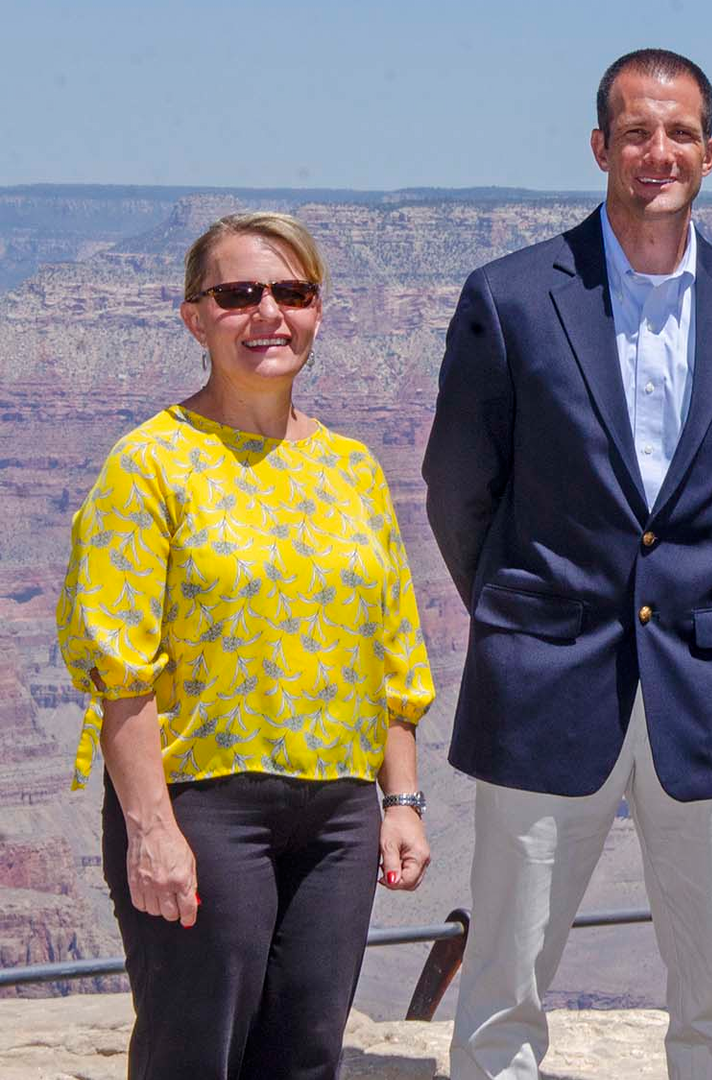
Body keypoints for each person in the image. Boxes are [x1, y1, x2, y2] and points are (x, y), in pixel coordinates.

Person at [423, 47, 712, 1080]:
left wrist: (689, 598)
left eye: (679, 133)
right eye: (636, 131)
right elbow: (460, 489)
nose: (658, 151)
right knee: (505, 983)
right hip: (546, 674)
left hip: (704, 680)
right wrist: (520, 613)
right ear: (600, 146)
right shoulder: (509, 298)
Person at [55, 210, 435, 1079]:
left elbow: (389, 647)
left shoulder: (352, 468)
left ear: (317, 310)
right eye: (239, 295)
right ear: (196, 317)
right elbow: (120, 671)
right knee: (195, 1057)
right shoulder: (150, 465)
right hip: (204, 808)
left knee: (306, 1055)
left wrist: (402, 800)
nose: (269, 314)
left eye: (292, 292)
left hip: (339, 812)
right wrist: (151, 829)